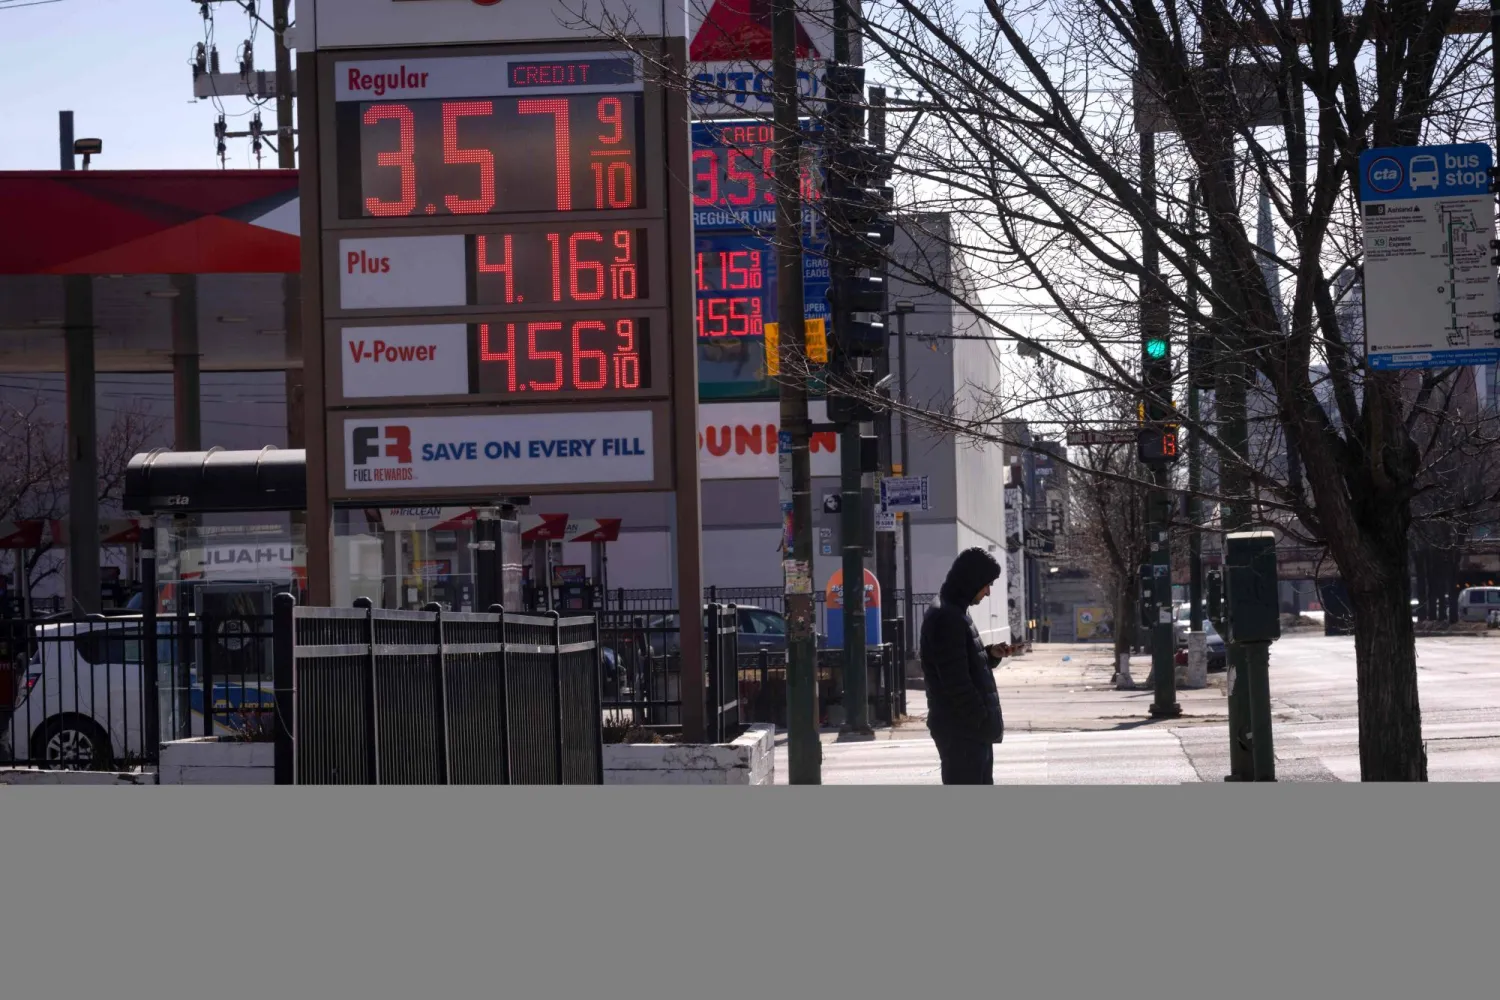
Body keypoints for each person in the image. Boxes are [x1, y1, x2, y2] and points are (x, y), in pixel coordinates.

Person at [920, 548, 1007, 785]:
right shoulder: (947, 617)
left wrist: (989, 654)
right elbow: (956, 683)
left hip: (967, 730)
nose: (988, 592)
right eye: (986, 584)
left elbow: (960, 665)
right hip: (963, 732)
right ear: (973, 580)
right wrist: (981, 720)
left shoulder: (955, 612)